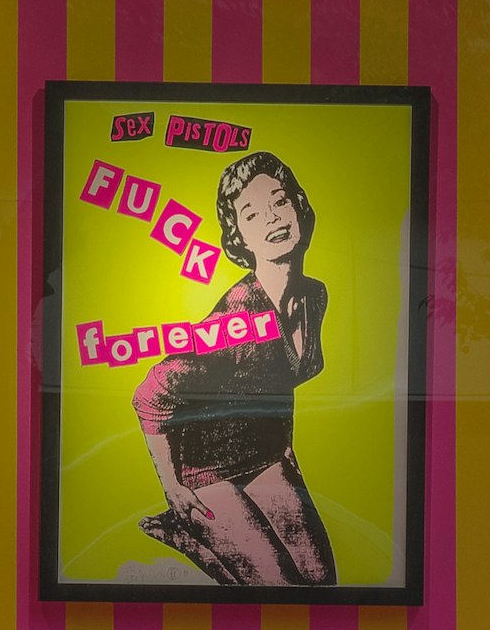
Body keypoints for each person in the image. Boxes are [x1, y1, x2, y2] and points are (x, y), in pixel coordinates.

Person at [134, 149, 338, 586]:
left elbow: (276, 385)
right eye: (251, 214)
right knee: (277, 587)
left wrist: (285, 453)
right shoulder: (238, 318)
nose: (272, 219)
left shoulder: (313, 297)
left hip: (263, 456)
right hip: (206, 470)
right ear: (239, 237)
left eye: (280, 201)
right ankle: (185, 530)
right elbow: (150, 396)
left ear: (299, 206)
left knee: (320, 583)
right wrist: (174, 490)